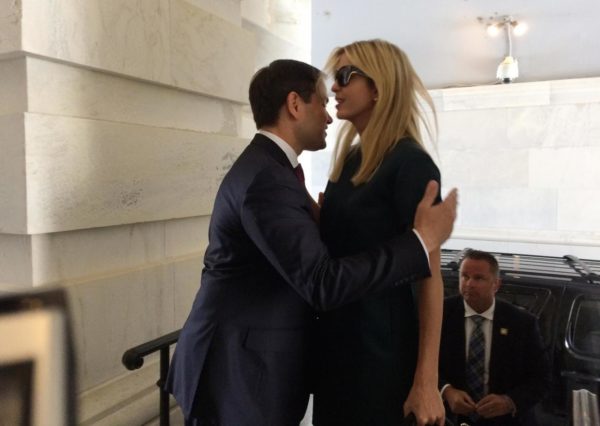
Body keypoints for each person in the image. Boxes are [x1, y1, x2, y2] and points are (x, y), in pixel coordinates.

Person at [164, 59, 458, 426]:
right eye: (321, 101)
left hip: (256, 364)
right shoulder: (268, 179)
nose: (329, 114)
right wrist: (419, 242)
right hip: (240, 371)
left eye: (346, 78)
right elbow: (320, 282)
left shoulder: (273, 170)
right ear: (294, 105)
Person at [313, 39, 446, 426]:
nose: (333, 88)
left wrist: (426, 381)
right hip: (338, 345)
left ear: (378, 87)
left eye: (343, 76)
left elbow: (431, 278)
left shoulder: (412, 164)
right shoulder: (351, 159)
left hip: (380, 355)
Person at [439, 249, 550, 425]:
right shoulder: (440, 314)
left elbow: (542, 378)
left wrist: (510, 401)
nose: (469, 284)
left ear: (496, 284)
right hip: (451, 418)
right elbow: (419, 363)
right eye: (464, 276)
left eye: (478, 278)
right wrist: (446, 390)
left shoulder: (521, 323)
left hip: (506, 421)